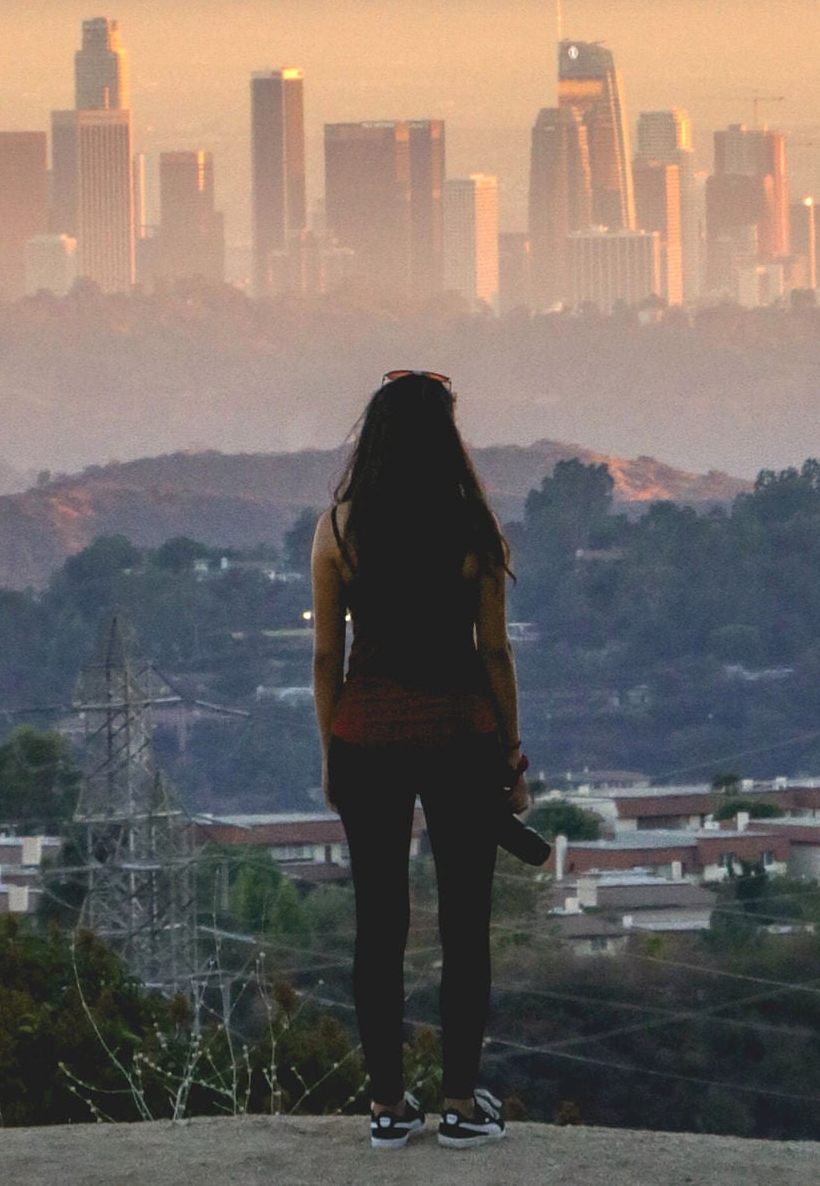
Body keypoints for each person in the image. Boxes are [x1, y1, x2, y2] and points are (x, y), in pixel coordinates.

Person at [310, 369, 525, 1151]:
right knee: (466, 924)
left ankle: (387, 1106)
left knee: (380, 923)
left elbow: (326, 655)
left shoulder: (338, 529)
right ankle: (463, 1103)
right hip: (461, 739)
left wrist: (331, 747)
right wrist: (513, 753)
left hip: (365, 739)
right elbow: (494, 651)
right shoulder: (474, 529)